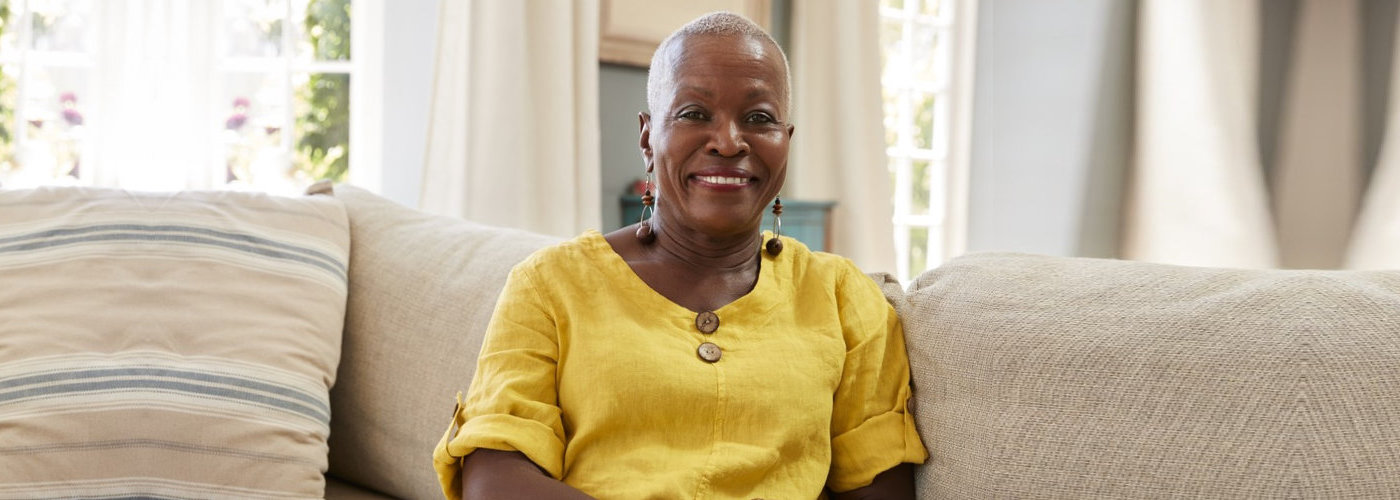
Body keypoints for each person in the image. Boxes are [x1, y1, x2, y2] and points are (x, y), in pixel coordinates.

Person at [433, 11, 926, 499]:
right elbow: (495, 478)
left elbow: (879, 487)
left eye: (759, 119)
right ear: (648, 137)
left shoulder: (843, 298)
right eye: (694, 114)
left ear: (785, 142)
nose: (730, 142)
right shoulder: (551, 284)